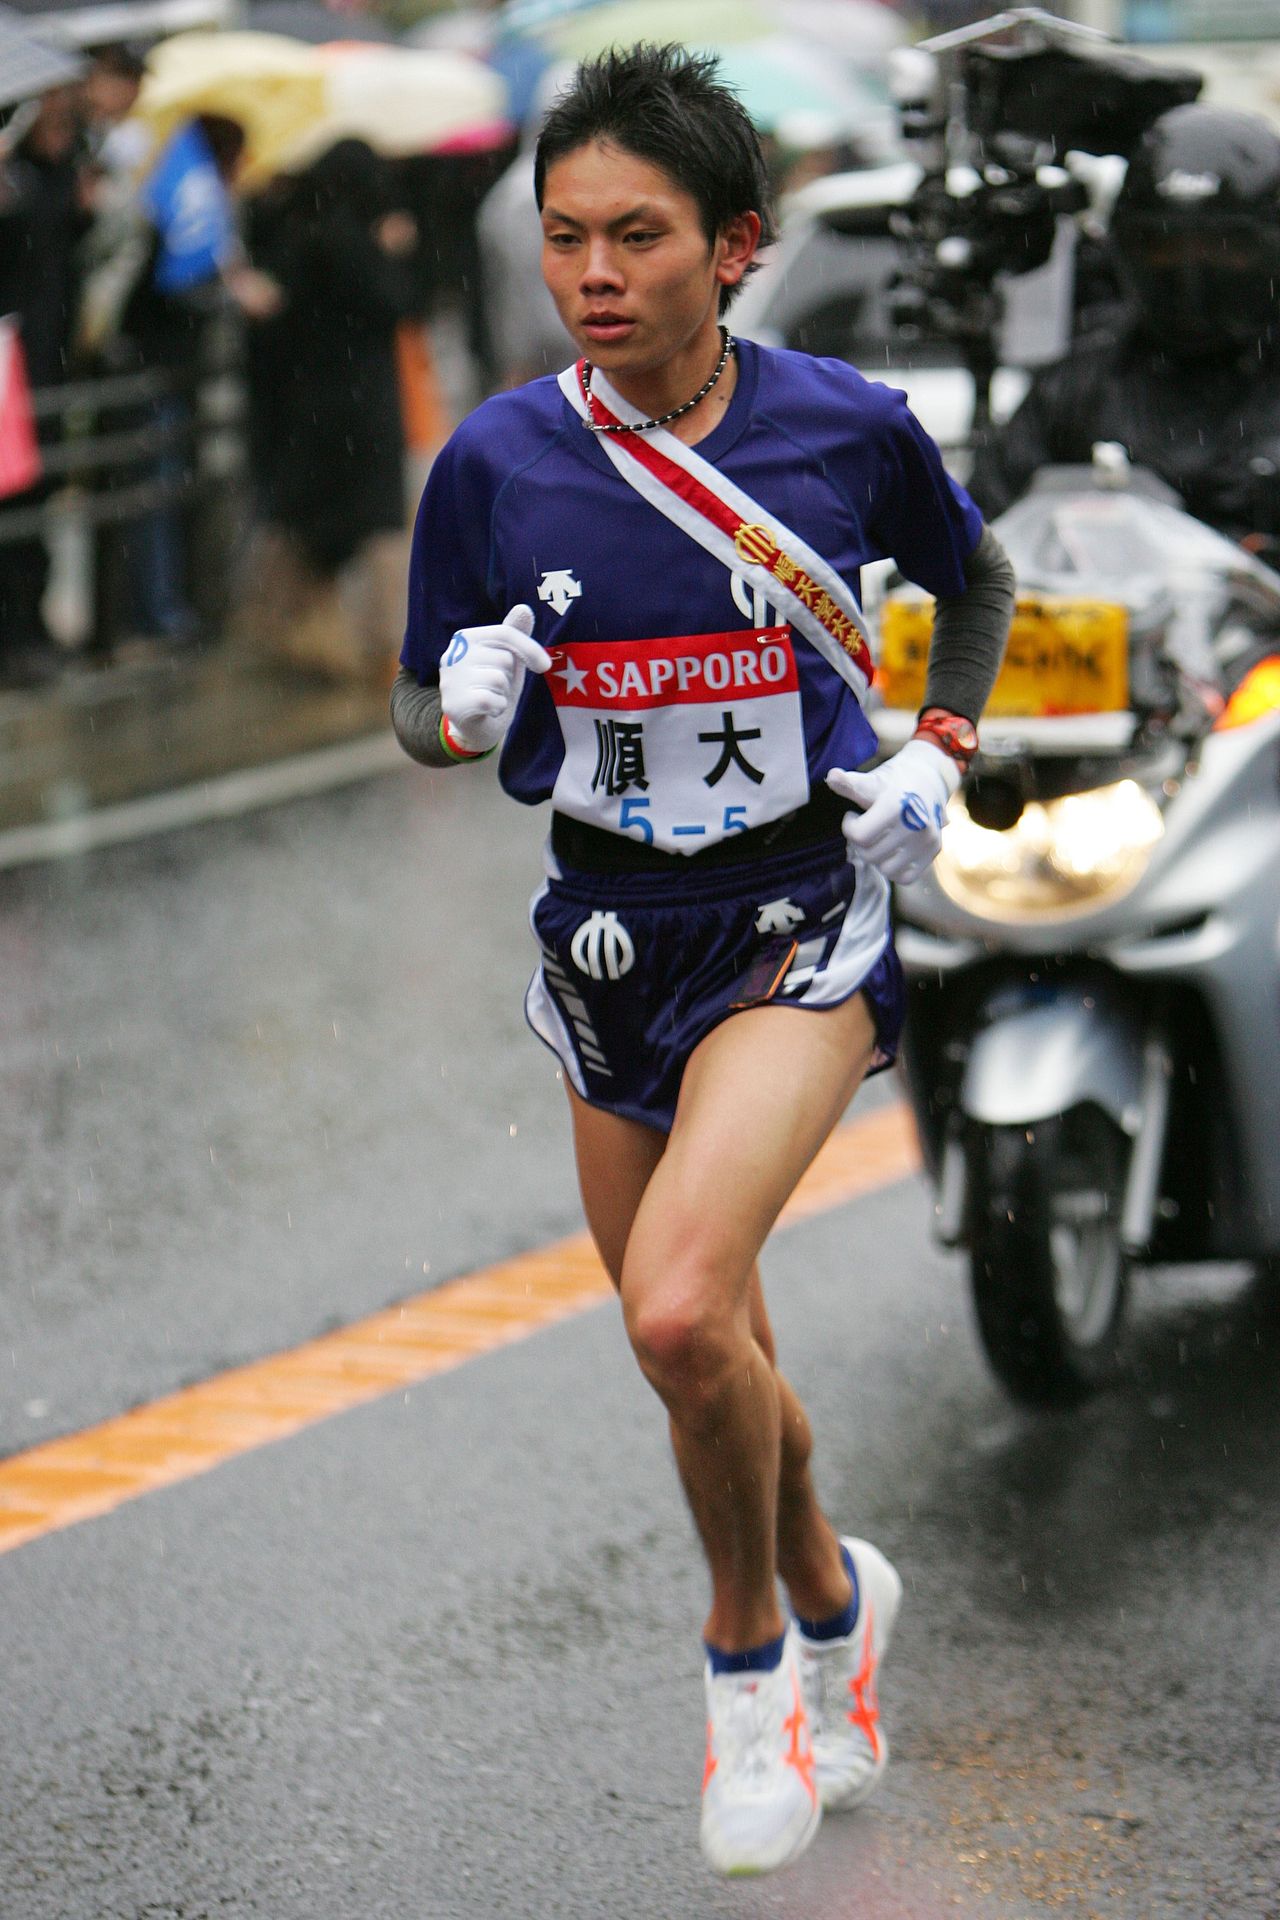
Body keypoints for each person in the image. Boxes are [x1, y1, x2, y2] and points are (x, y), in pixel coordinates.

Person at [391, 44, 1013, 1877]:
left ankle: (756, 1683)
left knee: (674, 1308)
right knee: (712, 1349)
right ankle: (839, 1593)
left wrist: (940, 747)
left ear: (732, 247)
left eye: (638, 237)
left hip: (794, 919)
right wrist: (457, 710)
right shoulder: (497, 460)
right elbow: (424, 704)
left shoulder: (840, 426)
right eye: (567, 236)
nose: (593, 273)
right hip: (602, 943)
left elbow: (968, 588)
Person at [969, 103, 1280, 546]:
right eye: (1164, 246)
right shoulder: (1081, 380)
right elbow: (974, 541)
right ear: (1125, 247)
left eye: (1223, 247)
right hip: (1106, 614)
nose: (1190, 272)